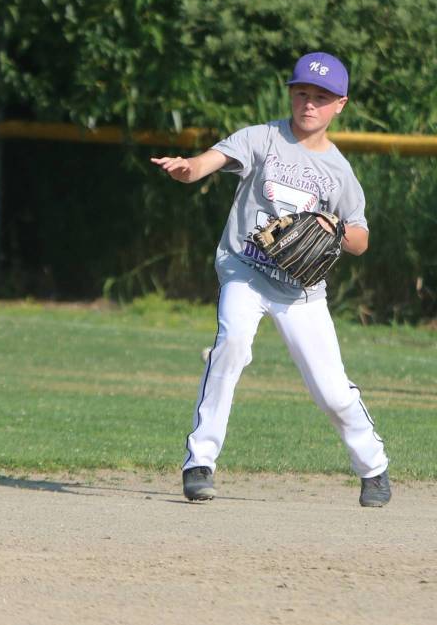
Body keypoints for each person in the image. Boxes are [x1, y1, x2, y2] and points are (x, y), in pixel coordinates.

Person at [151, 52, 390, 507]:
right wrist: (190, 168)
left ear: (340, 104)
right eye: (302, 93)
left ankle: (373, 468)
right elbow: (213, 158)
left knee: (332, 392)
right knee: (233, 344)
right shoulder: (262, 138)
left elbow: (360, 238)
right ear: (291, 94)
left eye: (321, 97)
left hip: (301, 292)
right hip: (245, 269)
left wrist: (336, 229)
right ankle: (199, 463)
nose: (309, 104)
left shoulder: (338, 172)